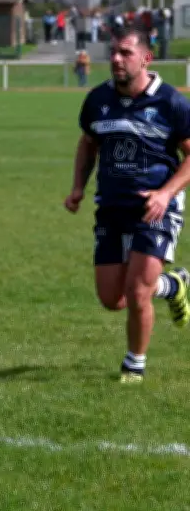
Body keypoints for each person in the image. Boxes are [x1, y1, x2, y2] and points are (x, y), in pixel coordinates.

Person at [64, 23, 190, 383]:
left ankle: (134, 364)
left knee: (137, 294)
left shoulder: (171, 102)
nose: (117, 60)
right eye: (114, 54)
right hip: (111, 207)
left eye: (126, 54)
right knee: (111, 299)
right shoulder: (97, 100)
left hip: (155, 208)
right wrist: (78, 188)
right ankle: (174, 286)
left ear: (146, 59)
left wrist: (165, 193)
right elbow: (88, 143)